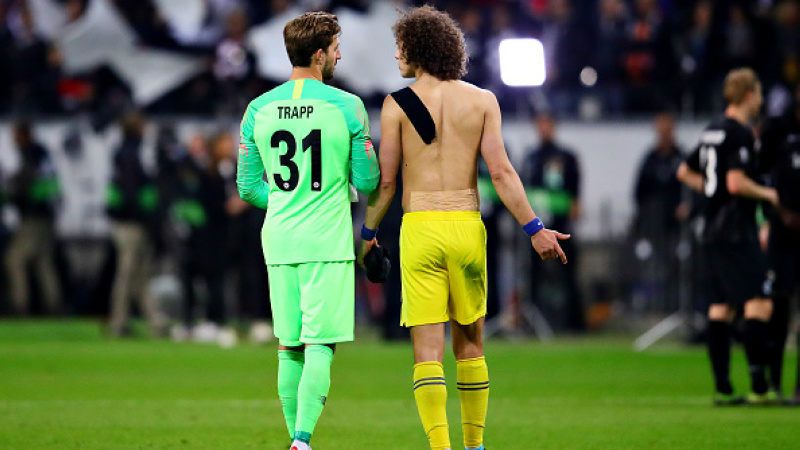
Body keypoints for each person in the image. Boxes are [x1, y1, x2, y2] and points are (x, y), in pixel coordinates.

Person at [359, 6, 569, 450]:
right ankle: (475, 446)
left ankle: (441, 447)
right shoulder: (482, 101)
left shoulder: (396, 104)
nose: (396, 54)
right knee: (471, 345)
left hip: (420, 230)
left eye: (401, 46)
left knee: (427, 352)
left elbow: (388, 181)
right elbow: (503, 173)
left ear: (418, 48)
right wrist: (535, 228)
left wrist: (367, 235)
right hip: (466, 229)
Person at [236, 12, 379, 450]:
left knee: (288, 345)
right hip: (327, 241)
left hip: (279, 240)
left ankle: (296, 442)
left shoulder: (258, 108)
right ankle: (301, 440)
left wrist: (284, 200)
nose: (339, 54)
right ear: (319, 55)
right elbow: (368, 182)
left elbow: (247, 186)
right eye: (335, 47)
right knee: (320, 343)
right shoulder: (348, 107)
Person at [676, 68, 778, 405]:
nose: (761, 100)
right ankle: (759, 387)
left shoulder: (711, 131)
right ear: (749, 94)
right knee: (759, 301)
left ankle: (723, 388)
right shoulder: (739, 134)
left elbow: (684, 171)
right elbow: (735, 183)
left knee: (720, 307)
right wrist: (768, 194)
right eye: (759, 93)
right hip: (736, 230)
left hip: (710, 229)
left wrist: (710, 190)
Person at [106, 112, 167, 337]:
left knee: (139, 275)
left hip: (127, 222)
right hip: (130, 224)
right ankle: (118, 323)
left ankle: (154, 322)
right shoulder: (129, 155)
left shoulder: (125, 153)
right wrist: (146, 212)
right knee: (127, 273)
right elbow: (133, 193)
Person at [523, 113, 584, 331]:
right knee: (534, 276)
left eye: (547, 124)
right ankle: (536, 323)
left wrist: (575, 205)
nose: (544, 128)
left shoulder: (566, 156)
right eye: (540, 124)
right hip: (536, 228)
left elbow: (574, 189)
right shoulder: (531, 158)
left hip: (562, 226)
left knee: (568, 273)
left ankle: (574, 324)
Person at [759, 83, 800, 403]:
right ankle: (773, 382)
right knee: (778, 310)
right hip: (782, 234)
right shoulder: (778, 133)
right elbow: (759, 178)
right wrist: (773, 214)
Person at [632, 111, 687, 311]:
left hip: (677, 226)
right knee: (653, 267)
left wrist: (687, 207)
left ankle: (677, 307)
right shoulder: (650, 159)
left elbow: (690, 188)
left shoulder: (681, 157)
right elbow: (638, 193)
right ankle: (653, 307)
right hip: (654, 226)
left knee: (678, 267)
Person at [5, 120, 61, 315]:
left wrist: (12, 192)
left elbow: (27, 188)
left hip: (33, 218)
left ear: (24, 135)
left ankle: (20, 306)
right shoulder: (42, 155)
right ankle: (54, 306)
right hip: (45, 217)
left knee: (15, 260)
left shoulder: (32, 155)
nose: (13, 140)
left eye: (16, 135)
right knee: (43, 262)